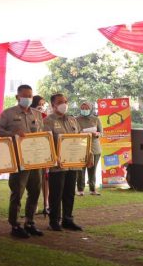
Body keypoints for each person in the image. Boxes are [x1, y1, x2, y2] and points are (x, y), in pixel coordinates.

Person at [0, 84, 45, 239]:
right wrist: (12, 133)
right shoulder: (8, 114)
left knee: (35, 192)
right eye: (25, 96)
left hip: (35, 160)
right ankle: (15, 224)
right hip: (18, 160)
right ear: (17, 97)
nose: (28, 98)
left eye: (30, 96)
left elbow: (43, 134)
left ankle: (30, 222)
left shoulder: (37, 114)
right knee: (17, 193)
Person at [44, 94, 85, 231]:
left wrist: (87, 154)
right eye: (60, 102)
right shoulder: (47, 121)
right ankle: (54, 221)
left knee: (69, 193)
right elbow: (46, 142)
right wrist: (53, 156)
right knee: (56, 194)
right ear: (53, 105)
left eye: (66, 101)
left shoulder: (72, 120)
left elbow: (80, 138)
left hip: (73, 163)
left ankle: (68, 219)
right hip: (57, 165)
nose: (64, 104)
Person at [76, 102, 103, 195]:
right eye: (82, 108)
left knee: (93, 170)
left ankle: (92, 189)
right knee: (80, 170)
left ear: (91, 109)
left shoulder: (96, 119)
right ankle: (80, 190)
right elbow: (74, 132)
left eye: (86, 108)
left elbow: (101, 133)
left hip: (95, 148)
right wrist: (82, 133)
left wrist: (97, 134)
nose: (84, 110)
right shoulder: (76, 119)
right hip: (81, 148)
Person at [32, 95, 51, 215]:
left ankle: (46, 203)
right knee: (34, 180)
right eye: (40, 104)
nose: (42, 107)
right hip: (32, 151)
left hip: (44, 150)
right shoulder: (29, 116)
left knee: (46, 178)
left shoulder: (46, 117)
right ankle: (34, 204)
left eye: (43, 104)